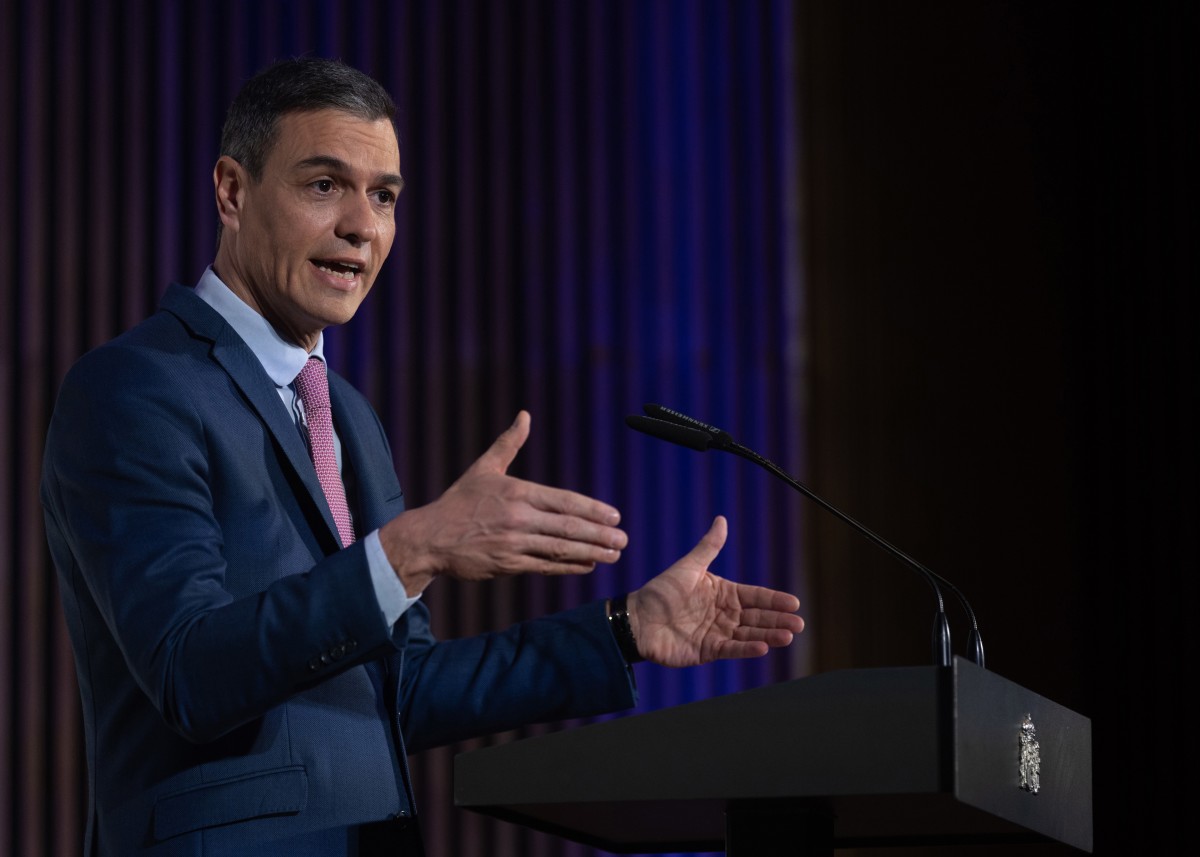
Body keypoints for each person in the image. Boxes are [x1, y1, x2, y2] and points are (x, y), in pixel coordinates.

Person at [41, 57, 805, 857]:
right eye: (323, 185)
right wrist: (410, 549)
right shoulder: (134, 388)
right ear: (232, 191)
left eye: (384, 196)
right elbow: (188, 671)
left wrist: (623, 628)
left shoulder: (349, 418)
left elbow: (400, 685)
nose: (362, 227)